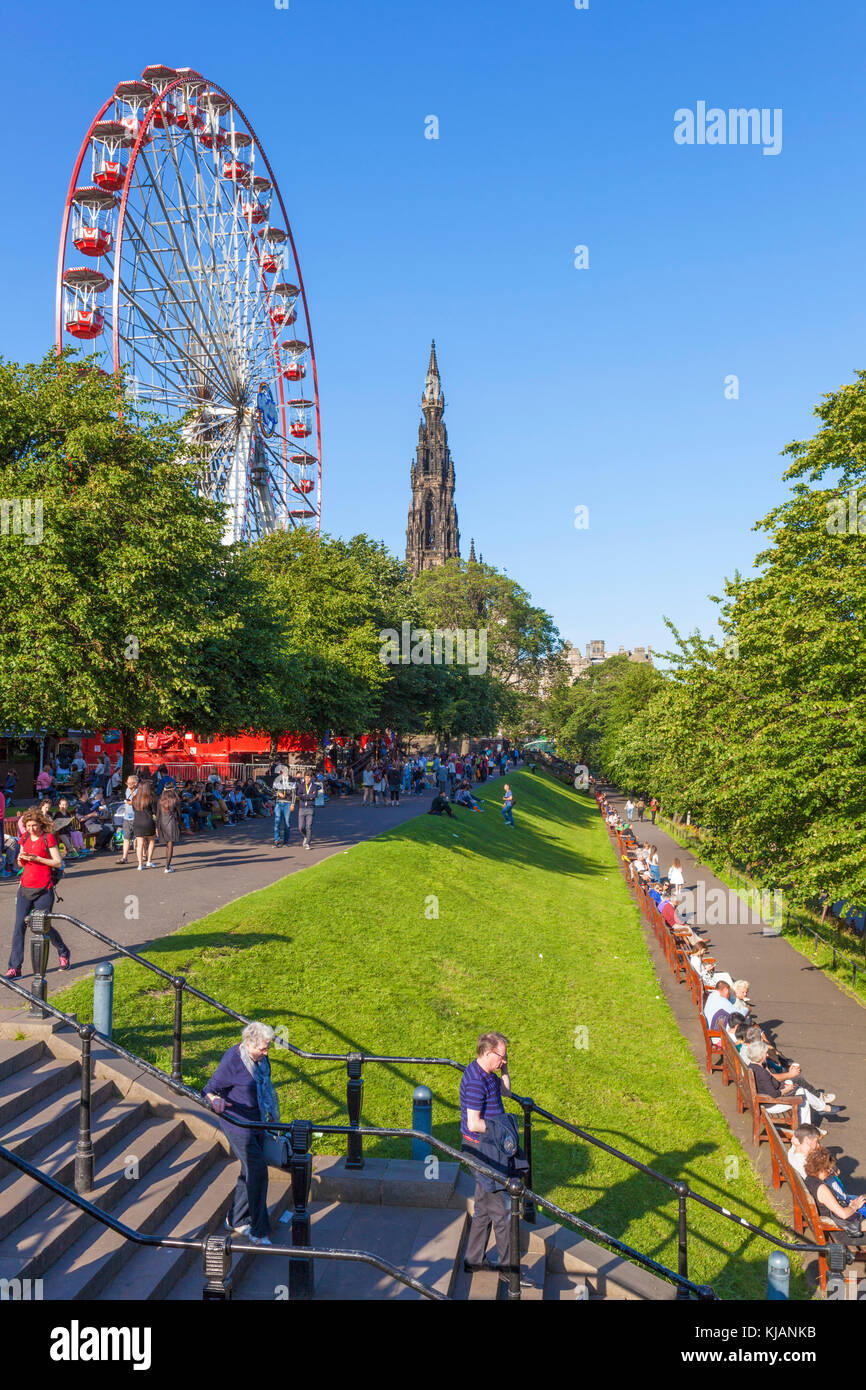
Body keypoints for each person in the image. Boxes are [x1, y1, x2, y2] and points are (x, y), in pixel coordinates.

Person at [460, 1031, 529, 1284]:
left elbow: (507, 1093)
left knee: (484, 1209)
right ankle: (509, 1271)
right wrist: (501, 1130)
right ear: (488, 1053)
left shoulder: (488, 1074)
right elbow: (473, 1123)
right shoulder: (477, 1081)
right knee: (502, 1212)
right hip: (482, 1151)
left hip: (489, 1148)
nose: (504, 1060)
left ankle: (474, 1259)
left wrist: (505, 1069)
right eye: (502, 1056)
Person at [203, 1021, 278, 1245]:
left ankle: (235, 1219)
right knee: (258, 1171)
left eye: (267, 1047)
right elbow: (208, 1089)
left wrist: (270, 1114)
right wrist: (215, 1100)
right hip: (237, 1124)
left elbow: (264, 1086)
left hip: (257, 1121)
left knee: (250, 1170)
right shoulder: (233, 1061)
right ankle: (259, 1229)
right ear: (247, 1044)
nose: (266, 1053)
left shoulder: (261, 1059)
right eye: (262, 1048)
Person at [5, 809, 70, 979]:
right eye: (28, 826)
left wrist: (37, 859)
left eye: (34, 825)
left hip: (44, 888)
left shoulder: (47, 838)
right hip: (25, 888)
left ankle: (63, 951)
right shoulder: (24, 838)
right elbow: (20, 862)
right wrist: (21, 859)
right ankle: (15, 968)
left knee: (42, 926)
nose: (32, 829)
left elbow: (57, 862)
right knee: (19, 926)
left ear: (41, 823)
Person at [804, 1148, 866, 1235]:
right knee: (862, 1204)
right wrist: (854, 1206)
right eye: (829, 1169)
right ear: (822, 1169)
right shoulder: (822, 1189)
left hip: (839, 1211)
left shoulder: (809, 1179)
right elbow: (843, 1214)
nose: (830, 1172)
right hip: (840, 1225)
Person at [156, 786, 183, 874]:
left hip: (162, 824)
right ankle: (167, 866)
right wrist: (179, 824)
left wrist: (157, 827)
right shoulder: (175, 800)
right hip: (171, 823)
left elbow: (158, 815)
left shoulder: (160, 800)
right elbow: (179, 814)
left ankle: (167, 866)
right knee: (170, 845)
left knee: (167, 845)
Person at [132, 782, 157, 870]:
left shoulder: (134, 798)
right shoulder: (150, 798)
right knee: (151, 841)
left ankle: (140, 864)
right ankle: (149, 861)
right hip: (148, 821)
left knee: (140, 844)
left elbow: (134, 810)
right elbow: (154, 811)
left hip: (137, 821)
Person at [296, 770, 322, 849]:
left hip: (310, 808)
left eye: (308, 778)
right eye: (305, 777)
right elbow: (299, 795)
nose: (307, 779)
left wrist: (305, 795)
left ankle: (308, 843)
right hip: (302, 808)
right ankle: (305, 836)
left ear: (311, 778)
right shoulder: (301, 785)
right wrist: (308, 796)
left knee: (309, 826)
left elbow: (314, 796)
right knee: (301, 827)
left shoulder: (314, 786)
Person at [272, 764, 295, 847]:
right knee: (277, 822)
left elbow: (294, 793)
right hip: (278, 802)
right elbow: (273, 790)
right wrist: (278, 793)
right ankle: (277, 840)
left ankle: (286, 841)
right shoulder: (277, 779)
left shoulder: (292, 779)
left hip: (287, 803)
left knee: (287, 823)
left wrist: (292, 804)